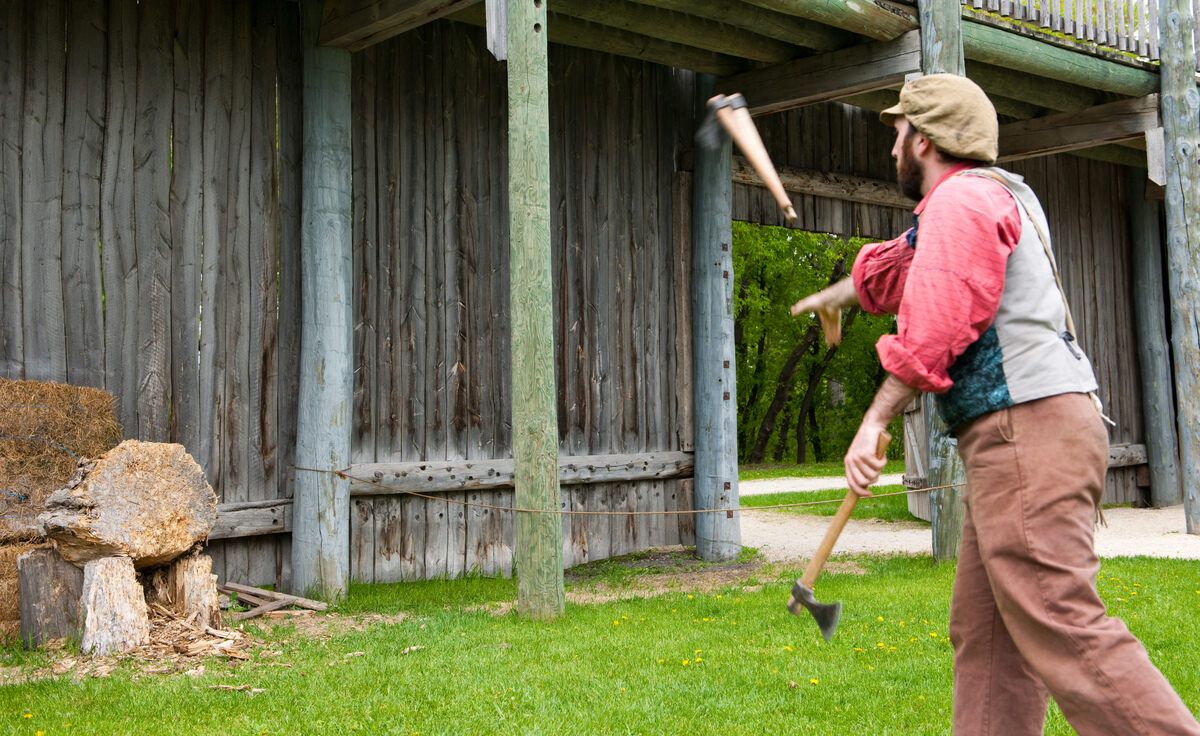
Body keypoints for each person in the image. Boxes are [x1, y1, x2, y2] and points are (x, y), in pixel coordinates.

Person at [790, 74, 1200, 736]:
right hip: (1031, 431)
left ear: (921, 141)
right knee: (988, 637)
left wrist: (874, 420)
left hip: (1026, 431)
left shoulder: (963, 205)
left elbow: (935, 327)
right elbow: (898, 267)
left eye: (897, 132)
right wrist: (837, 298)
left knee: (1060, 618)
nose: (891, 144)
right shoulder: (991, 198)